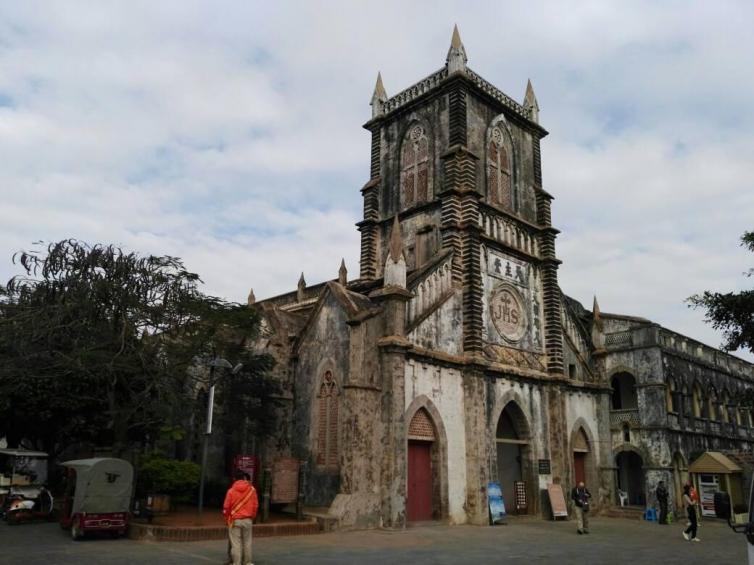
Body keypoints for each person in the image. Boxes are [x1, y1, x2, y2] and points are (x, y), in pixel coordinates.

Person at [223, 469, 259, 565]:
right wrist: (253, 516)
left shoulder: (230, 491)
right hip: (248, 519)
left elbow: (226, 507)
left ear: (234, 479)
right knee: (247, 542)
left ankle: (236, 562)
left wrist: (227, 519)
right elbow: (255, 505)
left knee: (236, 543)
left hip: (235, 520)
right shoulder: (252, 490)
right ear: (244, 477)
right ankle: (247, 562)